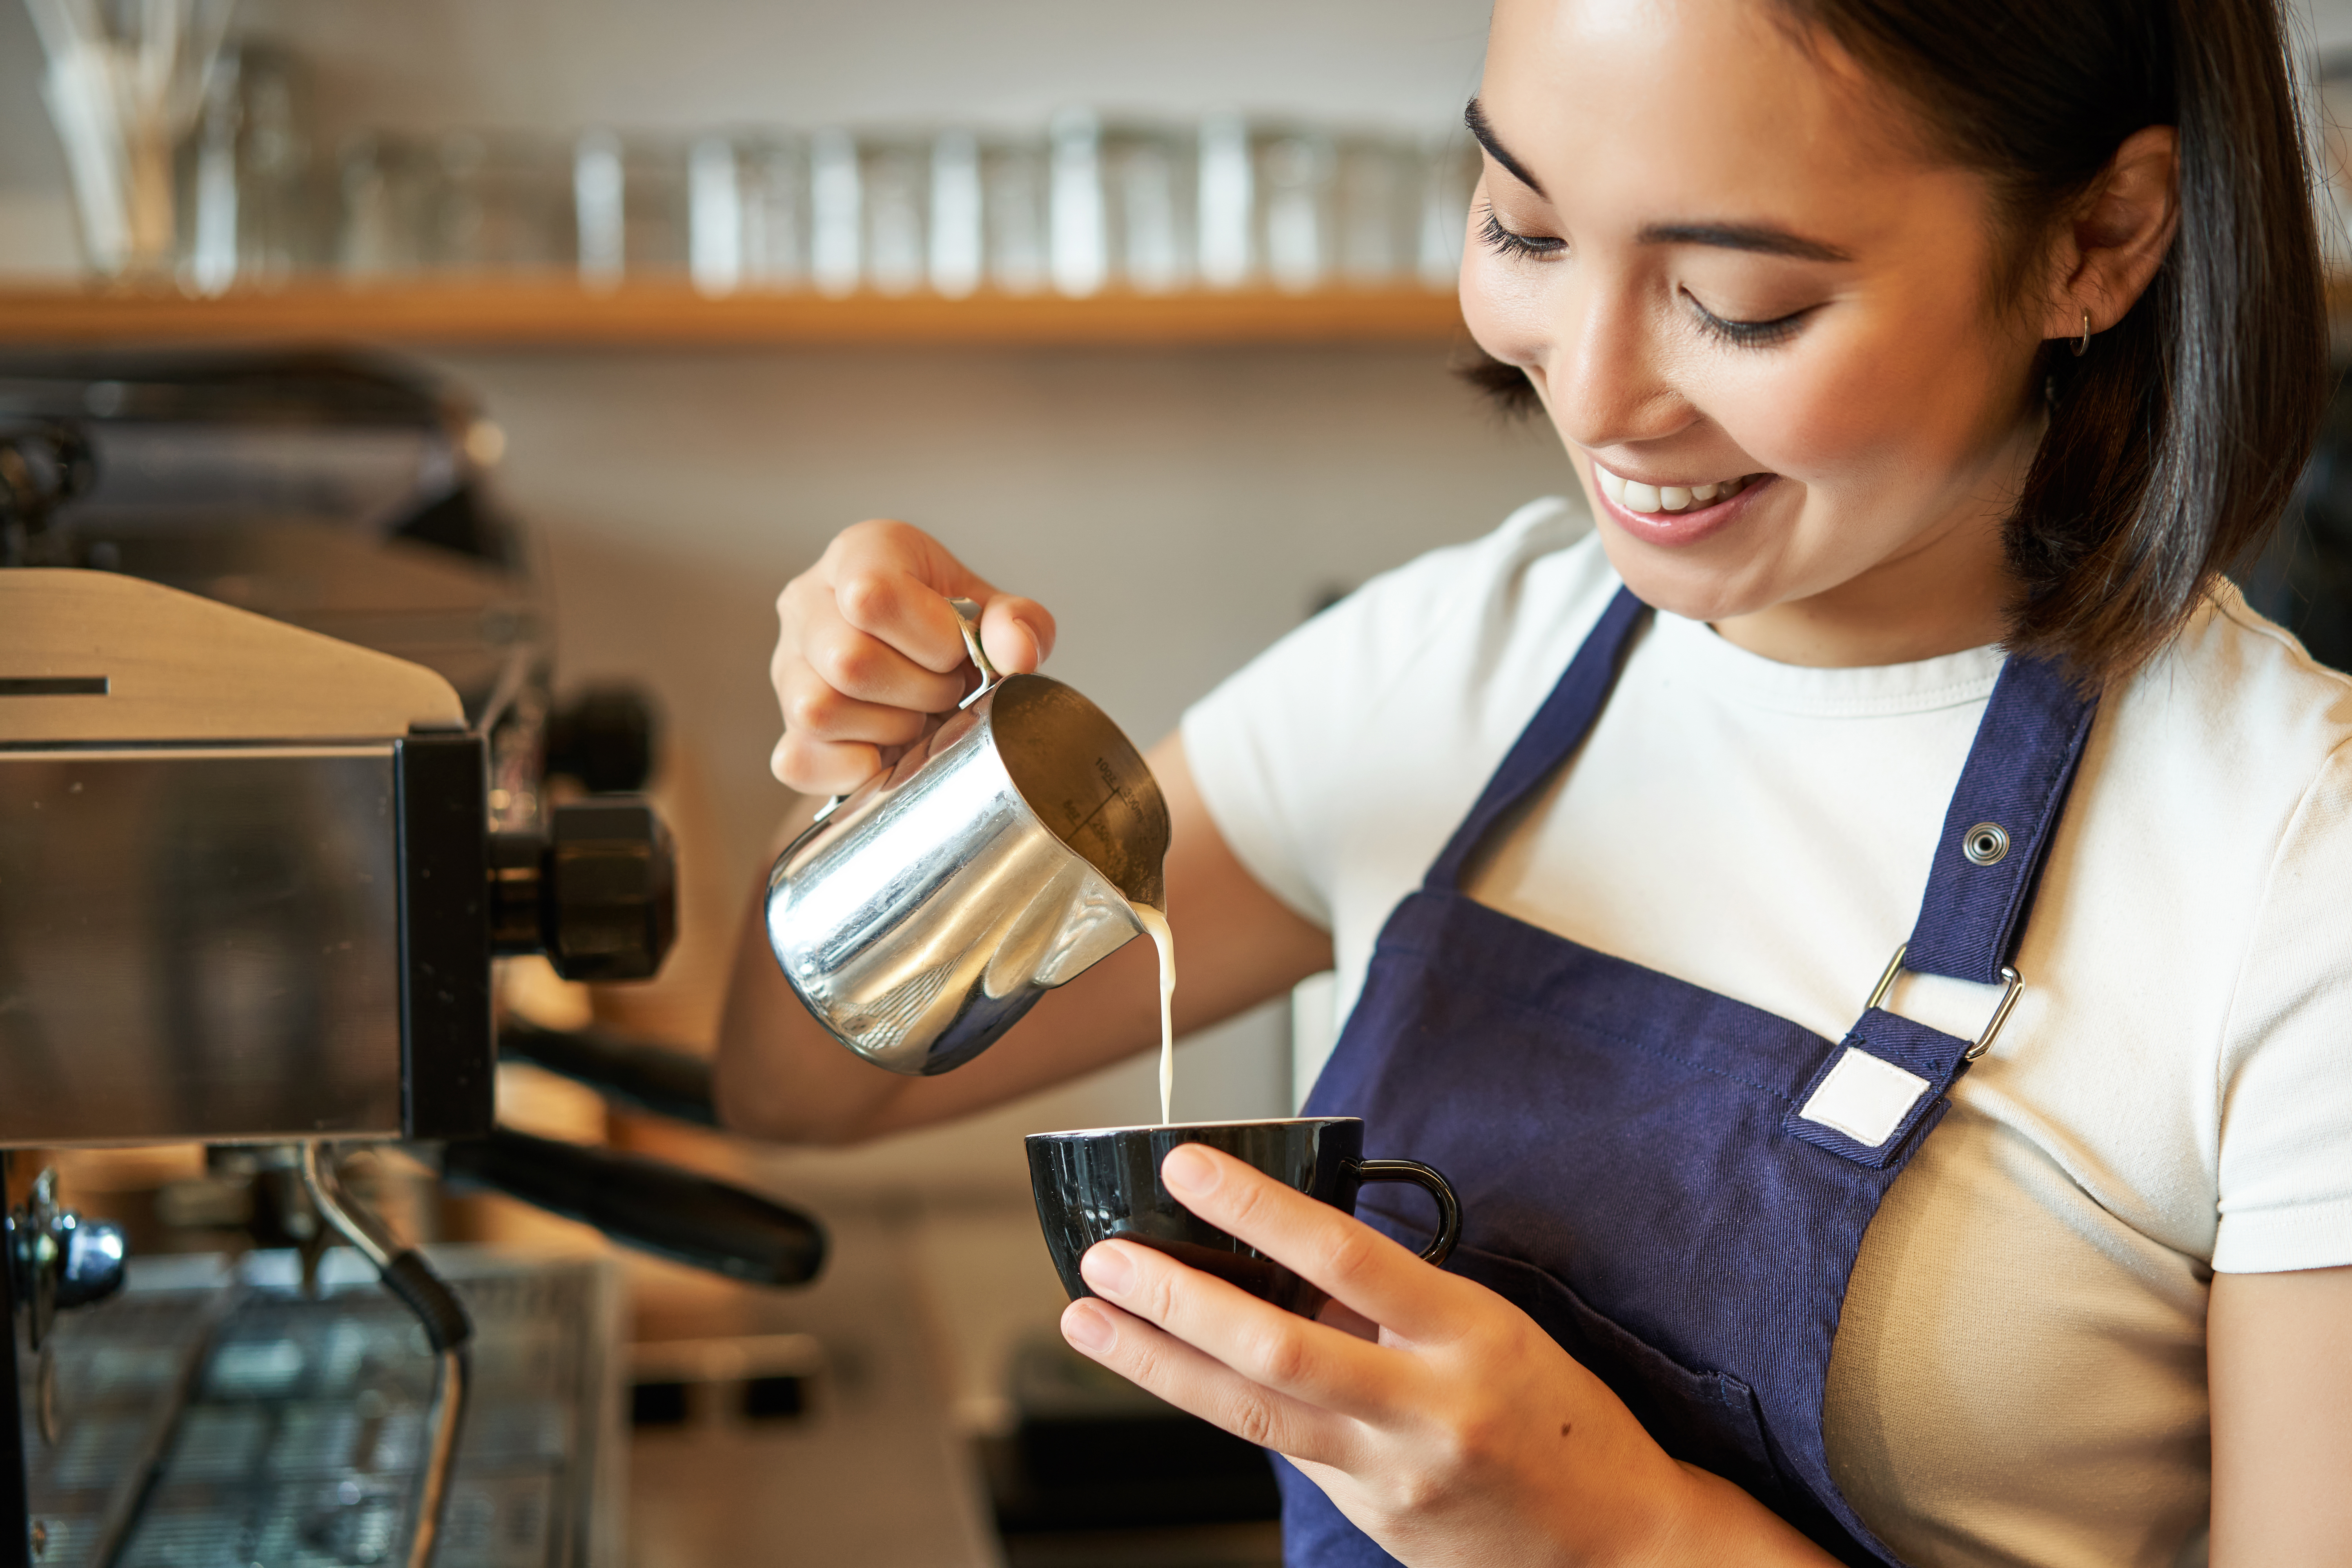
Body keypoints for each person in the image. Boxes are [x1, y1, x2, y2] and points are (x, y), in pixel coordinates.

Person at [714, 0, 2352, 1560]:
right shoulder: (1456, 662)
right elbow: (807, 1087)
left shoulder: (2292, 870)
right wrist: (910, 765)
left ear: (2101, 240)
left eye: (1740, 299)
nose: (1592, 387)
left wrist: (1619, 1533)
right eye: (1525, 228)